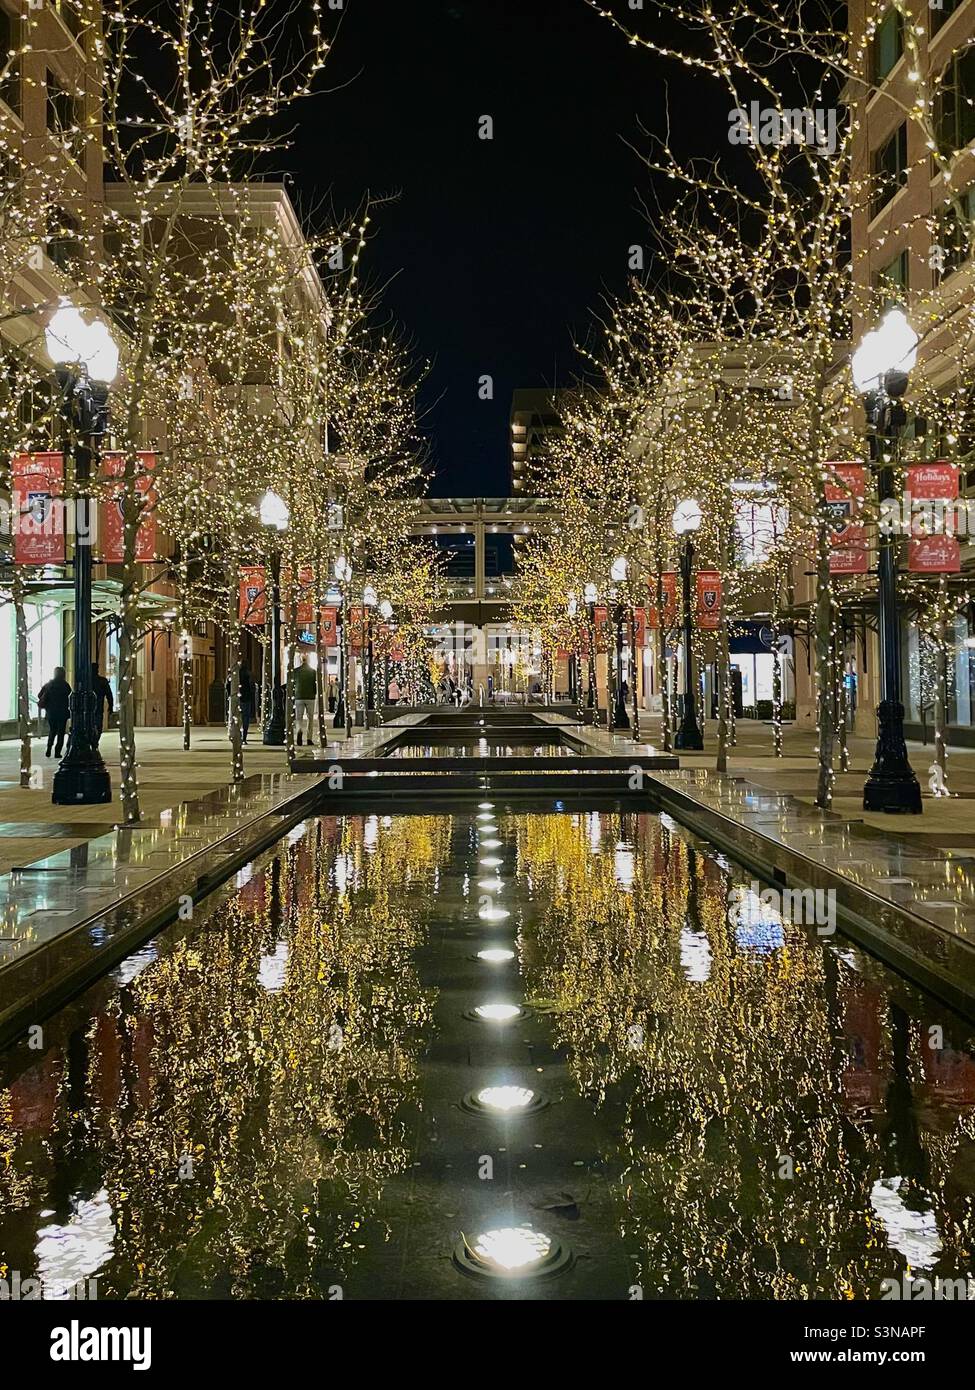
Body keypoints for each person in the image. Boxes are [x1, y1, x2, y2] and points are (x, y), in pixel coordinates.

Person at [38, 666, 71, 758]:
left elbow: (39, 695)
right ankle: (57, 752)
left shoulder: (49, 684)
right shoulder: (65, 685)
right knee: (61, 733)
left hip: (51, 712)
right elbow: (70, 697)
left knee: (52, 731)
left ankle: (48, 748)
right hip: (62, 713)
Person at [227, 662, 255, 742]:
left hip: (236, 698)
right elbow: (252, 687)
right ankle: (244, 737)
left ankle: (236, 735)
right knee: (245, 719)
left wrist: (230, 695)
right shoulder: (249, 675)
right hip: (246, 699)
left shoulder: (234, 675)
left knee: (235, 718)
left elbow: (228, 684)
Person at [294, 653, 317, 747]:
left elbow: (293, 683)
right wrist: (314, 693)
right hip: (310, 697)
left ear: (301, 660)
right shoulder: (313, 671)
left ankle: (299, 730)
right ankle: (309, 739)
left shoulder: (296, 671)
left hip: (299, 696)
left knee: (299, 718)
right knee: (310, 718)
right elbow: (314, 685)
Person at [90, 663, 114, 746]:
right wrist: (111, 706)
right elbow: (109, 695)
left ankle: (92, 742)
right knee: (98, 727)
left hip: (87, 709)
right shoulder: (102, 681)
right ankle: (95, 743)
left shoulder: (86, 681)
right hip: (98, 708)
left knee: (89, 726)